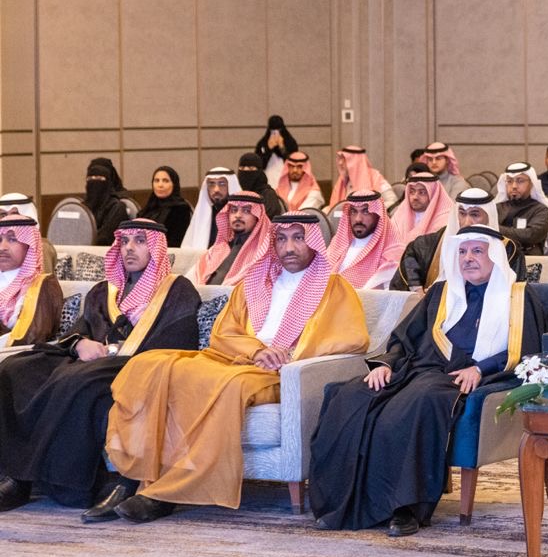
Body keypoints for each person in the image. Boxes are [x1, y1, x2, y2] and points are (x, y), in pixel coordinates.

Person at [103, 214, 369, 523]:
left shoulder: (333, 287)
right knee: (151, 364)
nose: (289, 248)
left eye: (298, 238)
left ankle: (167, 494)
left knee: (227, 385)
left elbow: (351, 339)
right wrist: (256, 350)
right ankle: (134, 476)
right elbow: (223, 334)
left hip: (276, 373)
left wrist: (289, 354)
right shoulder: (253, 283)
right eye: (281, 239)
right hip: (237, 359)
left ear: (313, 241)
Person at [309, 225, 548, 536]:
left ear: (495, 256)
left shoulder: (519, 297)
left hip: (460, 378)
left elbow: (527, 350)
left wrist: (481, 369)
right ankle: (340, 503)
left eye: (477, 251)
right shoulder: (441, 292)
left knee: (412, 407)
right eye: (462, 252)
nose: (468, 258)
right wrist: (386, 364)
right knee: (350, 396)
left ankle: (405, 508)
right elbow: (405, 338)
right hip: (414, 369)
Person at [0, 220, 200, 515]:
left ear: (156, 248)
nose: (129, 248)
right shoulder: (103, 291)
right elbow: (79, 331)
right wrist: (81, 344)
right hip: (91, 363)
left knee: (74, 379)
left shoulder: (177, 290)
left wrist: (114, 352)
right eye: (125, 241)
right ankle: (15, 476)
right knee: (15, 369)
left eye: (140, 241)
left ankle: (61, 484)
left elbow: (180, 341)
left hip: (139, 364)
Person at [391, 187, 525, 290]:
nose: (467, 222)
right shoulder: (428, 244)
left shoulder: (508, 249)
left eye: (474, 215)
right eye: (462, 214)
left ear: (489, 216)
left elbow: (511, 293)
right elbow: (408, 268)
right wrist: (418, 291)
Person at [0, 215, 64, 348]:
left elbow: (32, 338)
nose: (2, 247)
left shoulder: (43, 286)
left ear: (30, 246)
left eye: (12, 239)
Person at [186, 191, 273, 287]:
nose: (238, 215)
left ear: (258, 218)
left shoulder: (264, 254)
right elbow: (190, 280)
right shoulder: (218, 249)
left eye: (246, 211)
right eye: (233, 210)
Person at [386, 168, 455, 285]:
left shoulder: (446, 218)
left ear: (433, 194)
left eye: (422, 192)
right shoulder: (399, 215)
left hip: (431, 277)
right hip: (397, 275)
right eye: (412, 192)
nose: (415, 197)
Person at [326, 191, 399, 290]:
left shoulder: (392, 252)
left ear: (378, 215)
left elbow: (379, 294)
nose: (358, 219)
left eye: (366, 212)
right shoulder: (338, 244)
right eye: (353, 212)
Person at [493, 161, 548, 255]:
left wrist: (494, 229)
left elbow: (530, 235)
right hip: (499, 254)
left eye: (520, 181)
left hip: (528, 256)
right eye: (509, 181)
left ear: (531, 183)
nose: (514, 186)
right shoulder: (497, 207)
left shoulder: (541, 210)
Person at [181, 167, 240, 249]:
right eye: (211, 184)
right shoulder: (202, 214)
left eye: (222, 184)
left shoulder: (240, 216)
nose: (216, 189)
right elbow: (188, 249)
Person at [0, 193, 59, 274]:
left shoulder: (42, 246)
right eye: (3, 215)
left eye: (15, 214)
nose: (8, 219)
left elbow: (42, 280)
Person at [327, 146, 394, 211]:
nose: (340, 163)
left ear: (355, 161)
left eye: (345, 159)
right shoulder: (343, 180)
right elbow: (335, 207)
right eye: (340, 159)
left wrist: (370, 211)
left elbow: (392, 202)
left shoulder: (375, 178)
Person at [84, 157, 132, 246]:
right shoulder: (84, 206)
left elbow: (104, 238)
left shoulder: (117, 207)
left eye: (99, 178)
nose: (94, 182)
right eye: (90, 178)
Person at [137, 165, 192, 239]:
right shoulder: (149, 207)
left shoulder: (181, 209)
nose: (160, 185)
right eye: (156, 180)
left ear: (174, 184)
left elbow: (176, 241)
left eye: (165, 181)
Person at [235, 152, 287, 217]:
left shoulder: (268, 195)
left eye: (251, 168)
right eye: (242, 168)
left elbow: (268, 218)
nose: (246, 172)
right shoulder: (239, 194)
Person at [254, 115, 298, 182]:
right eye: (273, 131)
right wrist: (268, 148)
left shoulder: (290, 142)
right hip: (267, 179)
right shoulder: (263, 143)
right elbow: (259, 164)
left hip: (286, 178)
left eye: (278, 130)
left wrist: (282, 147)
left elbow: (293, 161)